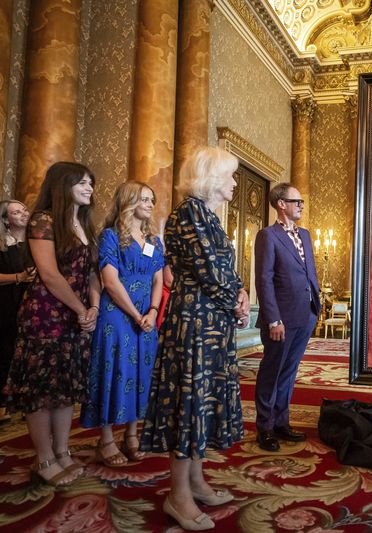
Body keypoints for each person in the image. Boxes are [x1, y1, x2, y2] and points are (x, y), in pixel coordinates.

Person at [139, 146, 250, 531]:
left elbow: (223, 270)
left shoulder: (208, 215)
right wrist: (235, 300)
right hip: (195, 322)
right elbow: (209, 270)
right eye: (231, 175)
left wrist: (240, 295)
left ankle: (196, 481)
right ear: (212, 177)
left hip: (211, 320)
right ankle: (177, 495)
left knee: (203, 401)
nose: (235, 182)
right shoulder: (188, 212)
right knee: (189, 402)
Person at [5, 161, 101, 487]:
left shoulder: (85, 224)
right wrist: (79, 309)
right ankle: (43, 457)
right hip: (45, 313)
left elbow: (91, 274)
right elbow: (48, 274)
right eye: (83, 182)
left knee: (64, 388)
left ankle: (62, 451)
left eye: (91, 182)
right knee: (41, 389)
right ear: (64, 184)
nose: (90, 187)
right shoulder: (43, 220)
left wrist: (94, 307)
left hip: (76, 314)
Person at [80, 181, 164, 466]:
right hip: (116, 313)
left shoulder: (154, 241)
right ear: (128, 201)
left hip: (147, 317)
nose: (150, 204)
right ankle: (105, 441)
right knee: (113, 370)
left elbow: (158, 279)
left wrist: (152, 311)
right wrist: (134, 313)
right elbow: (110, 281)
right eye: (144, 199)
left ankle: (131, 435)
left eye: (152, 199)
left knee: (141, 372)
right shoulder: (111, 236)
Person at [253, 183, 321, 452]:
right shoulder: (267, 236)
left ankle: (281, 422)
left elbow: (309, 273)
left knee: (289, 373)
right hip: (280, 319)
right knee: (272, 372)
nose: (301, 205)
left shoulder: (304, 235)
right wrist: (272, 319)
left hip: (305, 315)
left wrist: (315, 308)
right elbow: (264, 279)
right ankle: (265, 428)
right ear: (281, 204)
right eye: (297, 201)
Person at [0, 200, 36, 425]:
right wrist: (19, 277)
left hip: (32, 308)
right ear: (4, 219)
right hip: (5, 308)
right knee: (5, 356)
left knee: (29, 357)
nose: (24, 214)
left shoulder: (35, 242)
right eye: (17, 212)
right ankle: (2, 405)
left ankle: (23, 402)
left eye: (24, 210)